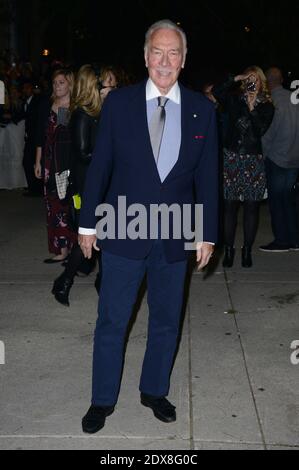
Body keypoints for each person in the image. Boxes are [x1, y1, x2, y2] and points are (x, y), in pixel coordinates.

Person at [78, 19, 219, 434]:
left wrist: (206, 233)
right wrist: (88, 224)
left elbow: (207, 178)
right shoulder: (119, 104)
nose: (164, 60)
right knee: (112, 320)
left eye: (172, 52)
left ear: (184, 59)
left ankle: (154, 390)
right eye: (157, 51)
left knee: (166, 320)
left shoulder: (202, 109)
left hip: (176, 233)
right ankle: (102, 399)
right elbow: (100, 166)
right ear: (145, 56)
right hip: (122, 227)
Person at [212, 67, 275, 268]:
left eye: (256, 80)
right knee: (229, 208)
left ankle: (246, 251)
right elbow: (216, 92)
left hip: (252, 161)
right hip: (231, 158)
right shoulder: (233, 100)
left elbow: (259, 131)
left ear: (262, 83)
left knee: (251, 209)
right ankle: (229, 251)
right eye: (249, 80)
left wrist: (252, 105)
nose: (251, 83)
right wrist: (235, 77)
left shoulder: (267, 106)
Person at [52, 65, 102, 306]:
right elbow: (83, 153)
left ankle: (98, 280)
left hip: (95, 183)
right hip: (85, 186)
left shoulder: (93, 113)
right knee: (89, 237)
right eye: (100, 83)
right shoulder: (82, 114)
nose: (103, 87)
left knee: (101, 233)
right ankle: (64, 280)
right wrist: (109, 154)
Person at [35, 69, 77, 263]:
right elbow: (41, 137)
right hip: (49, 163)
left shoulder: (73, 107)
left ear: (69, 83)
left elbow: (65, 138)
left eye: (61, 82)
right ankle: (61, 249)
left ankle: (73, 250)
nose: (57, 86)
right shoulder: (48, 105)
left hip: (65, 164)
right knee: (53, 206)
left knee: (67, 205)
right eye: (55, 83)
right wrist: (38, 161)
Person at [260, 67, 299, 252]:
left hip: (277, 157)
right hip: (294, 157)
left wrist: (263, 153)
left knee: (277, 201)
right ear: (282, 79)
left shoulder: (272, 101)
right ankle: (295, 238)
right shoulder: (294, 99)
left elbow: (268, 132)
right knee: (289, 200)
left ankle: (282, 240)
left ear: (267, 81)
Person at [22, 80, 43, 197]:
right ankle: (33, 188)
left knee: (30, 162)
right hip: (31, 137)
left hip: (35, 137)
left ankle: (36, 189)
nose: (25, 90)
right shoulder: (28, 101)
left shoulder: (38, 100)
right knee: (28, 162)